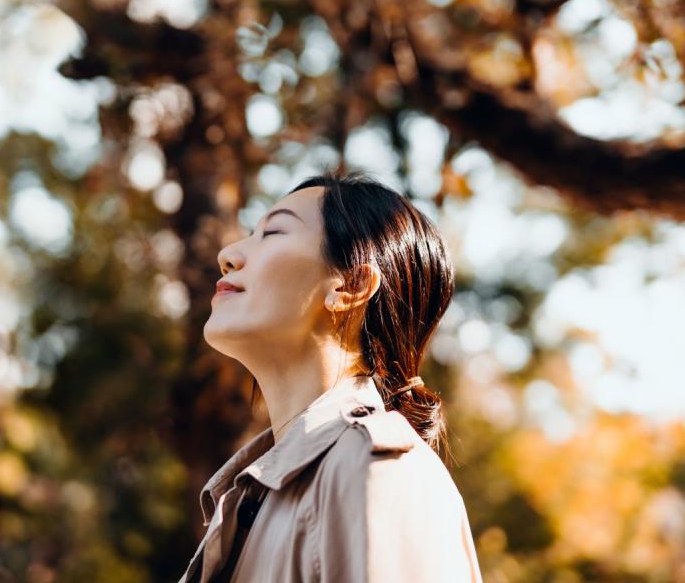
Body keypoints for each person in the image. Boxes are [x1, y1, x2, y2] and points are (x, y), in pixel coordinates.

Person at [178, 170, 483, 582]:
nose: (229, 253)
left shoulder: (378, 473)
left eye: (273, 234)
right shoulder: (254, 499)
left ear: (351, 286)